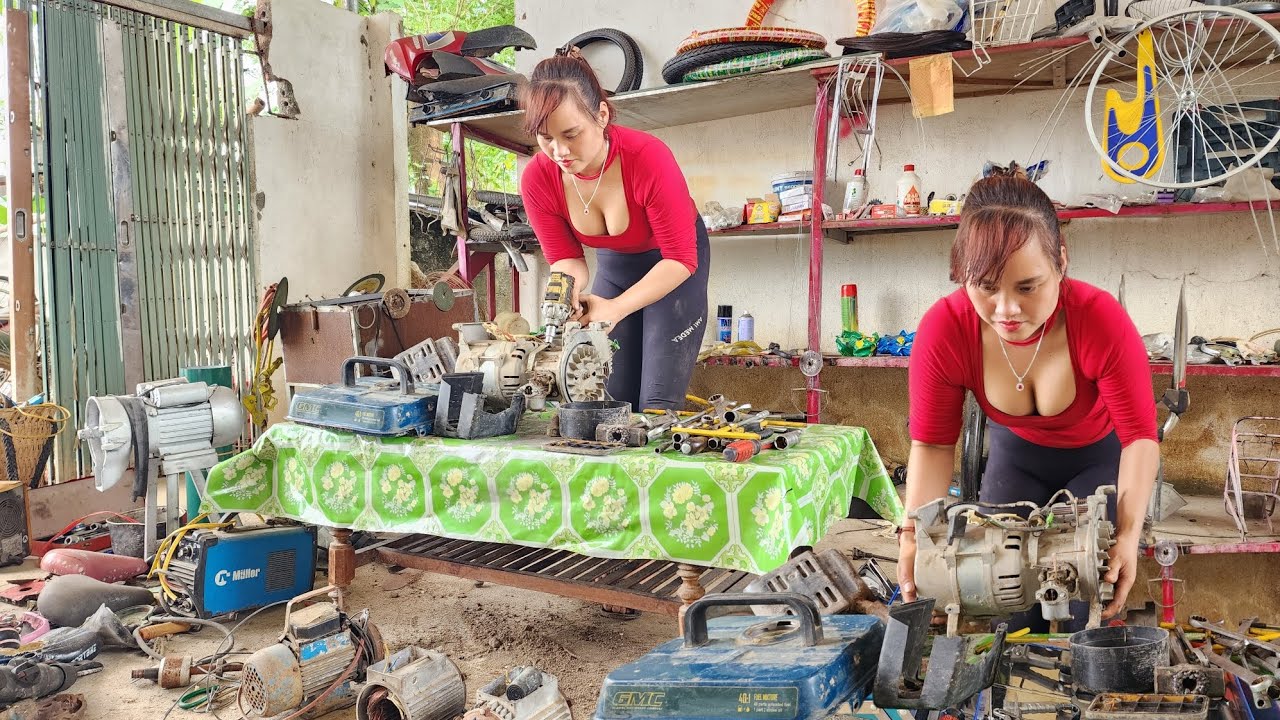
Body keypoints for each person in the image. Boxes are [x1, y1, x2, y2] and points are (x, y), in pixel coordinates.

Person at [898, 176, 1159, 627]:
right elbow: (934, 445)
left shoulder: (1100, 321)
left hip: (1100, 461)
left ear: (1061, 261)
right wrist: (914, 539)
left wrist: (1129, 535)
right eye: (984, 286)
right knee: (1003, 595)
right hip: (1016, 459)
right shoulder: (946, 329)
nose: (1005, 310)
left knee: (1082, 596)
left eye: (1026, 287)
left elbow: (1140, 439)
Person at [518, 47, 709, 411]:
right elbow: (567, 260)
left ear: (601, 115)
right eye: (545, 138)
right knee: (607, 402)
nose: (559, 151)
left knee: (656, 406)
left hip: (675, 268)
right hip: (616, 268)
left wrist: (616, 308)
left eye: (571, 134)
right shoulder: (538, 178)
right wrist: (565, 294)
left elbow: (681, 258)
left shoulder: (648, 157)